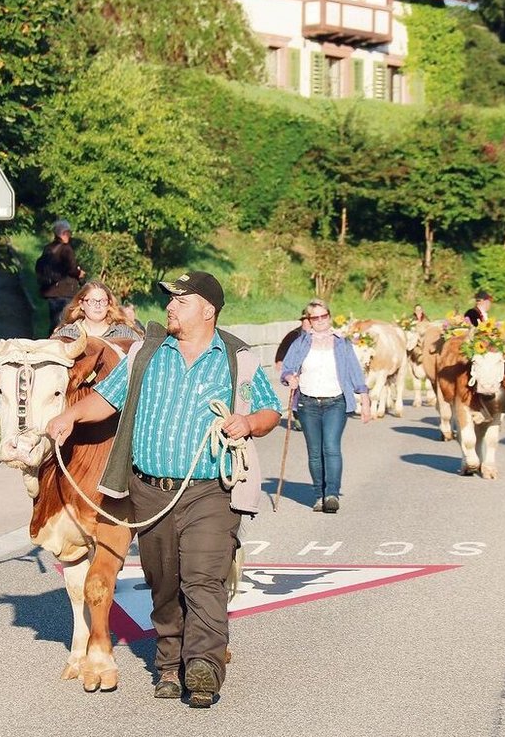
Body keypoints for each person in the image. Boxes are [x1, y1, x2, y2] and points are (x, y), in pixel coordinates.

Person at [44, 271, 281, 709]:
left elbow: (269, 409)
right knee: (163, 581)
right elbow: (109, 398)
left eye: (181, 301)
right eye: (170, 301)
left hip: (210, 489)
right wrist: (72, 417)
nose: (170, 308)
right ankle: (170, 663)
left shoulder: (237, 358)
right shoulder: (146, 353)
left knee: (203, 577)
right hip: (149, 491)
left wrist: (247, 423)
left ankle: (204, 665)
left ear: (208, 309)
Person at [279, 299, 371, 514]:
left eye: (324, 316)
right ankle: (319, 495)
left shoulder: (342, 343)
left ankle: (332, 494)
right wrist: (289, 377)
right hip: (307, 403)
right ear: (309, 320)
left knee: (330, 447)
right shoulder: (301, 343)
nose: (320, 321)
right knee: (314, 452)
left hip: (335, 402)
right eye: (315, 317)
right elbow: (287, 369)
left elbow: (354, 372)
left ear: (329, 317)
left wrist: (364, 397)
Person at [50, 280, 143, 341]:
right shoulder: (67, 334)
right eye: (92, 301)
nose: (98, 305)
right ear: (81, 304)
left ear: (109, 304)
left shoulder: (124, 334)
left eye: (103, 301)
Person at [35, 219, 83, 331]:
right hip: (65, 290)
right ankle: (60, 343)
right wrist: (79, 273)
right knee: (63, 322)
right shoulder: (66, 249)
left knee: (54, 320)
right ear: (63, 233)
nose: (69, 236)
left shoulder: (48, 248)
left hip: (50, 290)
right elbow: (71, 268)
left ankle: (51, 342)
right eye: (67, 233)